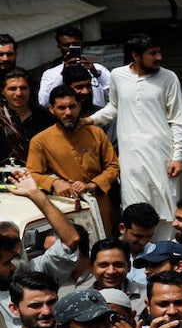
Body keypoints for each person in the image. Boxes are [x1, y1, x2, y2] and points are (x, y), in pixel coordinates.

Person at [90, 33, 182, 241]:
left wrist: (178, 156)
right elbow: (114, 107)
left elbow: (178, 119)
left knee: (166, 205)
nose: (159, 57)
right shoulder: (118, 75)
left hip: (162, 155)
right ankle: (139, 258)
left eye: (160, 52)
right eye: (153, 53)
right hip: (130, 157)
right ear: (135, 55)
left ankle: (165, 251)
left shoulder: (168, 77)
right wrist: (90, 121)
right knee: (135, 206)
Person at [27, 85, 120, 233]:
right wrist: (55, 183)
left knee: (102, 245)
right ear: (52, 109)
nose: (68, 112)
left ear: (79, 106)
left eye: (72, 106)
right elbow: (32, 173)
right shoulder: (40, 140)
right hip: (65, 205)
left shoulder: (96, 133)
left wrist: (92, 185)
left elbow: (113, 167)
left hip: (98, 202)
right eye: (62, 108)